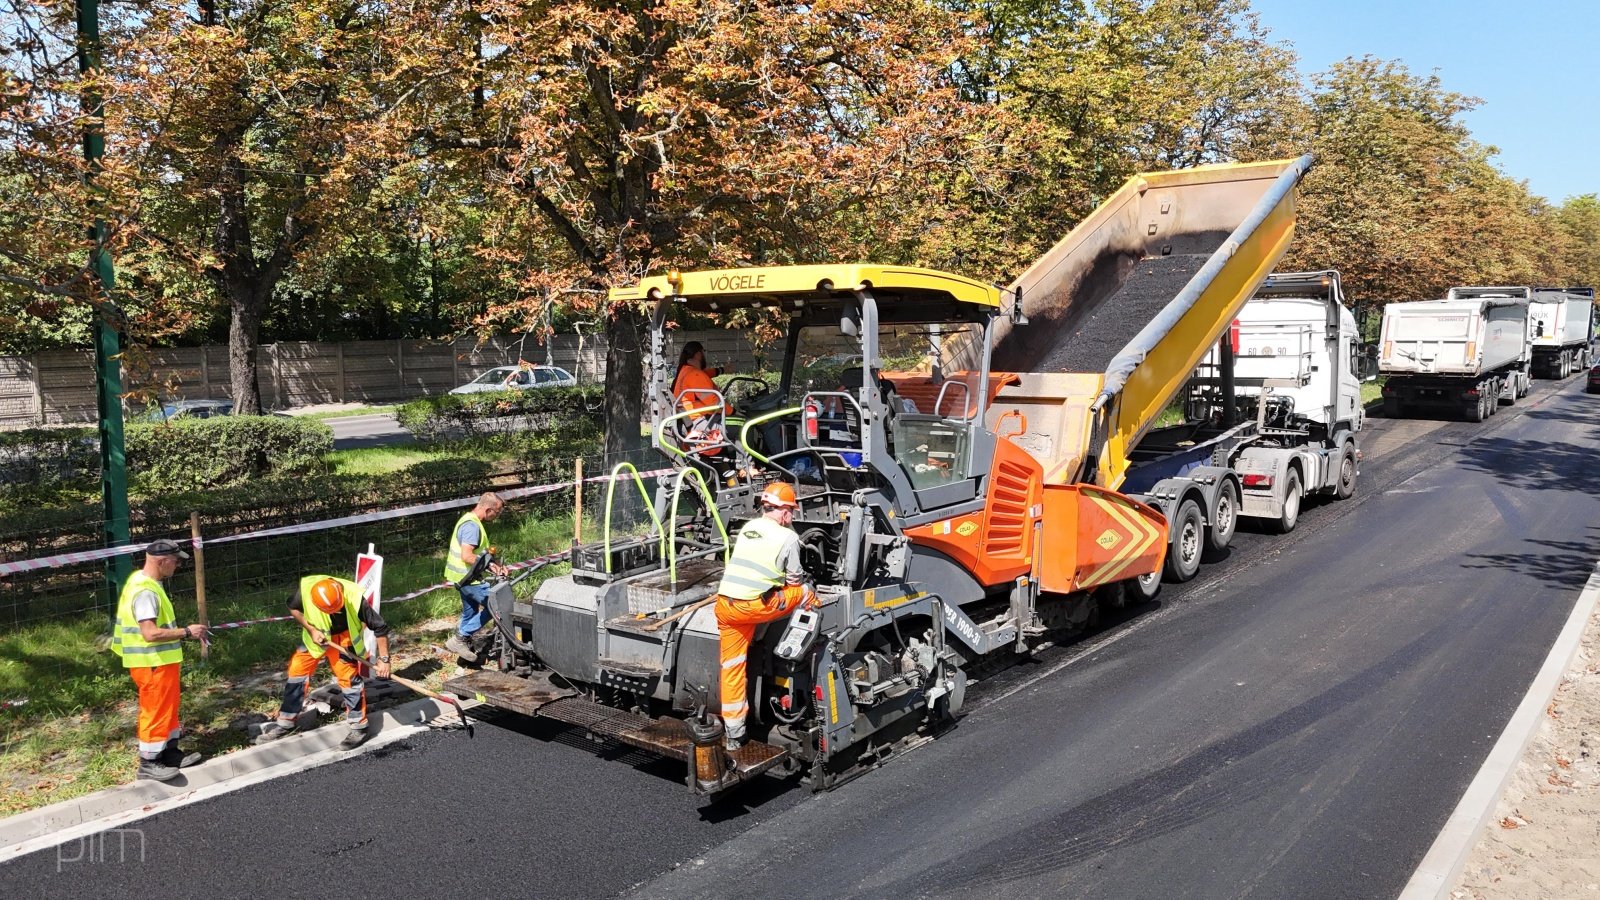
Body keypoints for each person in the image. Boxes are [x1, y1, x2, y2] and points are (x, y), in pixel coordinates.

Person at [714, 482, 815, 751]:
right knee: (803, 591)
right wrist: (803, 589)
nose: (792, 517)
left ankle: (734, 734)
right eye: (791, 511)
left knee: (732, 668)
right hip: (754, 607)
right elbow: (793, 580)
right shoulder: (788, 537)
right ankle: (811, 612)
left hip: (726, 605)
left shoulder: (748, 528)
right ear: (782, 511)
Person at [255, 576, 392, 749]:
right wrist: (311, 629)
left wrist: (384, 659)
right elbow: (293, 608)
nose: (333, 613)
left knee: (349, 680)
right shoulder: (305, 591)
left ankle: (359, 727)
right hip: (317, 637)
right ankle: (286, 722)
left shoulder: (354, 598)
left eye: (336, 609)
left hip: (342, 638)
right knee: (297, 671)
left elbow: (380, 627)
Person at [111, 539, 209, 782]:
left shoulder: (143, 581)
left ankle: (169, 752)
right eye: (175, 561)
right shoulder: (145, 592)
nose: (177, 565)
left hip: (160, 662)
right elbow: (150, 633)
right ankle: (149, 762)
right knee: (155, 711)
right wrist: (188, 632)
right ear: (161, 561)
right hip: (152, 661)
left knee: (167, 708)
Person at [443, 492, 508, 661]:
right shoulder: (472, 527)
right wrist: (490, 566)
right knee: (496, 606)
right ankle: (460, 638)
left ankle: (465, 654)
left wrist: (495, 564)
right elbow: (467, 556)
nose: (498, 515)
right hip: (470, 580)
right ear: (488, 510)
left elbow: (479, 555)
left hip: (462, 579)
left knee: (470, 613)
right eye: (497, 512)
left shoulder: (469, 520)